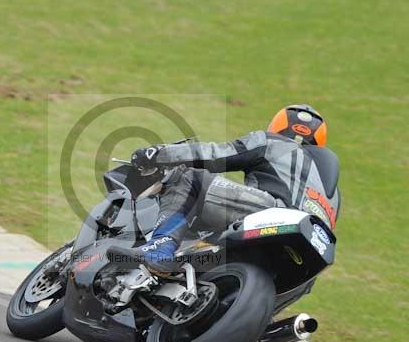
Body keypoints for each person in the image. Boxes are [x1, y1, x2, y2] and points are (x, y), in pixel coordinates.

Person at [107, 104, 341, 272]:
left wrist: (159, 153)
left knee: (189, 179)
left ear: (277, 126)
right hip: (307, 254)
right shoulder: (334, 194)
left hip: (270, 213)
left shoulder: (272, 142)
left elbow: (215, 155)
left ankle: (160, 247)